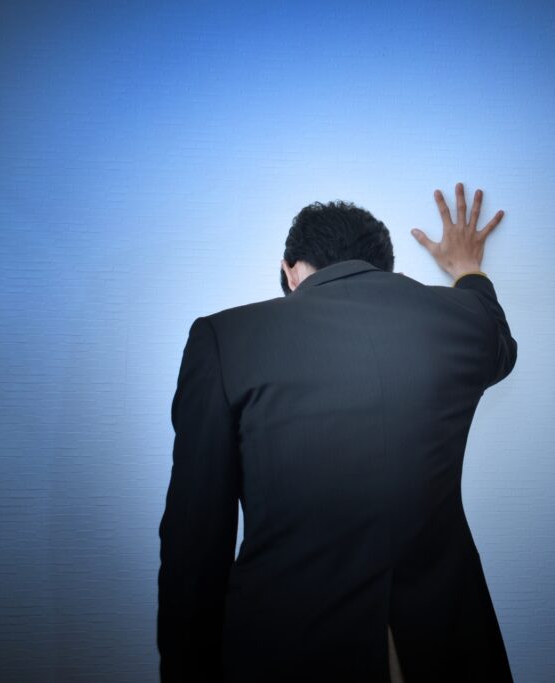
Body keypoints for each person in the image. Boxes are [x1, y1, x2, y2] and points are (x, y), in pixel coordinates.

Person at [158, 182, 518, 682]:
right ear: (383, 266)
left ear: (290, 272)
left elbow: (194, 542)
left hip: (287, 648)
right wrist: (467, 268)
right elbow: (497, 339)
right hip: (446, 645)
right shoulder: (462, 319)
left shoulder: (224, 338)